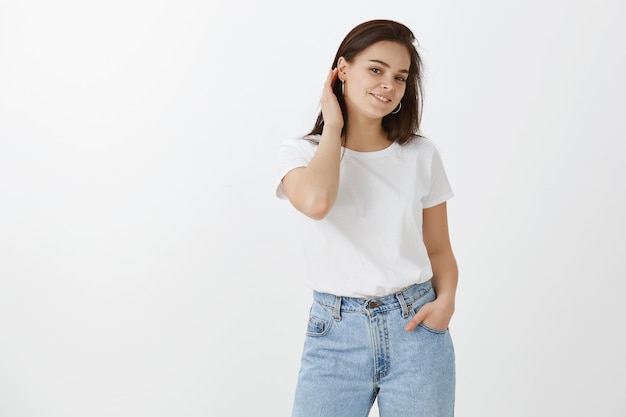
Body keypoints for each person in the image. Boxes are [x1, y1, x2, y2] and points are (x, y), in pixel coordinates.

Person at [275, 19, 457, 417]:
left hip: (417, 329)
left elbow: (439, 248)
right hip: (334, 335)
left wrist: (446, 302)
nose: (388, 85)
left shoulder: (420, 155)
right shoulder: (300, 154)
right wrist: (335, 124)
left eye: (400, 76)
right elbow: (317, 203)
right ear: (342, 70)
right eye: (376, 69)